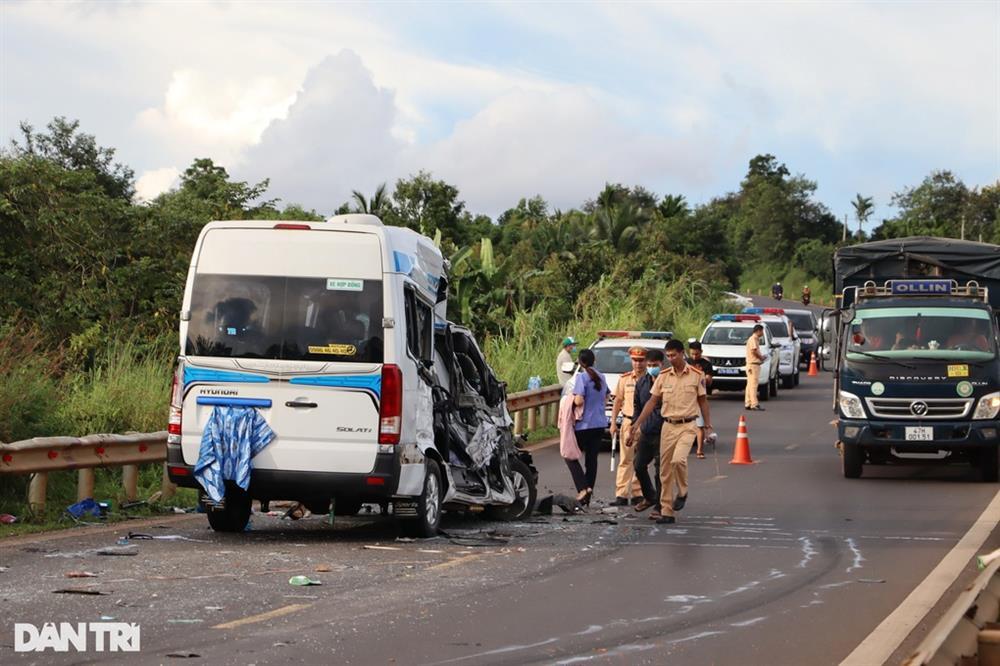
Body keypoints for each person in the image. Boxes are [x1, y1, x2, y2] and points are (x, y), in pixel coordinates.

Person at [630, 339, 713, 525]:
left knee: (678, 460)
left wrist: (708, 426)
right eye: (668, 356)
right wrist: (637, 424)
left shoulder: (696, 375)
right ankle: (667, 511)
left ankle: (682, 492)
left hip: (687, 425)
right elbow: (652, 402)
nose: (671, 359)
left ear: (682, 353)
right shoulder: (663, 376)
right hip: (667, 426)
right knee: (664, 471)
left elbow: (703, 402)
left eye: (674, 355)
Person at [565, 348, 609, 506]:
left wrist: (570, 400)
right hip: (600, 423)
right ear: (594, 360)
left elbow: (579, 401)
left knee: (570, 456)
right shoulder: (602, 377)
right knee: (592, 460)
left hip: (584, 425)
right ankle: (587, 495)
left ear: (580, 362)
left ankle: (583, 488)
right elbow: (607, 396)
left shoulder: (581, 378)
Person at [609, 347, 646, 505]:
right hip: (627, 422)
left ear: (645, 361)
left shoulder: (651, 379)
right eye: (635, 360)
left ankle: (638, 493)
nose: (638, 364)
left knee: (641, 460)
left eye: (641, 360)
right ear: (631, 361)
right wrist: (613, 423)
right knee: (625, 459)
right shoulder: (624, 379)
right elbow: (617, 401)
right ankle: (621, 494)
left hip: (644, 424)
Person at [632, 348, 665, 519]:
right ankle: (650, 496)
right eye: (650, 365)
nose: (652, 368)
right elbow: (637, 407)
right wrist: (634, 428)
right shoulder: (641, 383)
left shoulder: (668, 382)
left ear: (661, 364)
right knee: (638, 465)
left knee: (660, 470)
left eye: (655, 365)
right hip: (645, 431)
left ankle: (659, 506)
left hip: (663, 432)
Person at [687, 341, 715, 458]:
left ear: (701, 352)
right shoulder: (686, 363)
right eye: (692, 354)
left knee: (700, 425)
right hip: (687, 398)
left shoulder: (706, 364)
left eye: (697, 354)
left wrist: (703, 377)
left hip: (700, 398)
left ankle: (699, 450)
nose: (694, 357)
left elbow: (709, 381)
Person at [745, 324, 766, 411]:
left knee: (750, 385)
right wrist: (761, 357)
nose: (762, 333)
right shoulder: (753, 339)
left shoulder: (754, 339)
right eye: (762, 331)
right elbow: (754, 351)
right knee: (753, 385)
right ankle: (754, 404)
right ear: (758, 331)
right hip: (753, 365)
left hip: (751, 365)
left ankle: (748, 402)